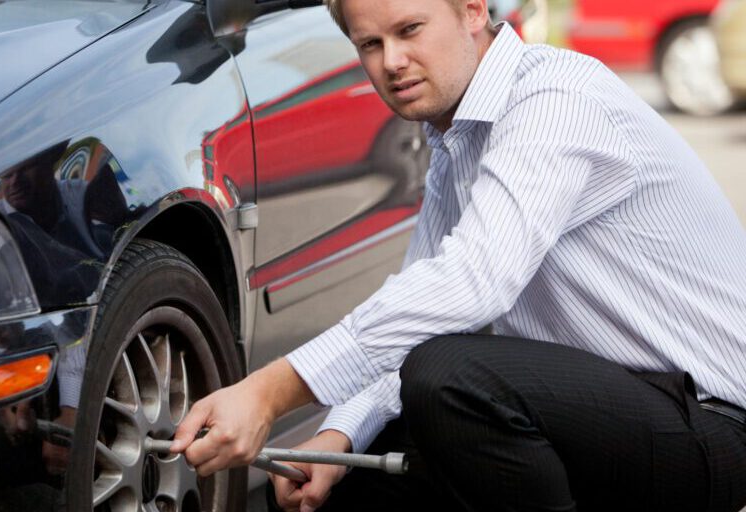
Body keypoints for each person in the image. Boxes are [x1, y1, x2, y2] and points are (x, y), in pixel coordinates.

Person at [168, 0, 746, 510]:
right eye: (370, 43)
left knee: (449, 379)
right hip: (611, 412)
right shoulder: (457, 136)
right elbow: (420, 312)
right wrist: (338, 436)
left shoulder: (556, 99)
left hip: (712, 427)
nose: (391, 61)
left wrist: (268, 392)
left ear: (472, 10)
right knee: (331, 482)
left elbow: (472, 284)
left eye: (410, 29)